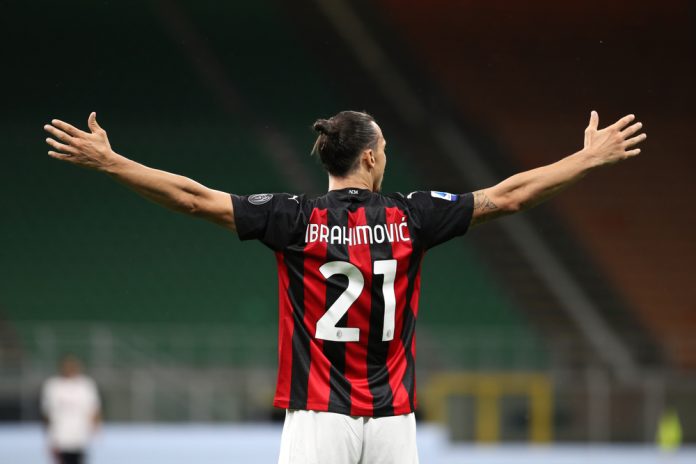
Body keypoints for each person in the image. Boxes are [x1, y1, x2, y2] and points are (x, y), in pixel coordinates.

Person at [43, 110, 645, 463]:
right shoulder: (410, 217)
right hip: (393, 418)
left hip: (317, 416)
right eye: (383, 147)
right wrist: (585, 160)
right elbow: (509, 196)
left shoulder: (295, 217)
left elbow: (193, 198)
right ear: (372, 158)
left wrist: (112, 162)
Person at [41, 354, 101, 464]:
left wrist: (95, 426)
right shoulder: (53, 385)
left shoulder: (85, 385)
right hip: (59, 436)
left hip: (80, 435)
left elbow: (93, 408)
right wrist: (48, 433)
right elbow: (47, 411)